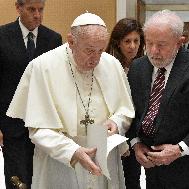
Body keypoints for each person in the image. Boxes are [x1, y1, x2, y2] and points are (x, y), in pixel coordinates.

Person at [6, 12, 135, 189]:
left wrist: (116, 122)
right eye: (90, 50)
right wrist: (72, 151)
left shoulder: (111, 64)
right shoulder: (43, 67)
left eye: (100, 50)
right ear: (71, 41)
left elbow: (125, 110)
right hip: (59, 162)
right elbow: (38, 128)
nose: (96, 59)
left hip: (103, 157)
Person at [127, 10, 189, 189]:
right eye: (149, 43)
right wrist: (136, 143)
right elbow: (132, 110)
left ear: (180, 42)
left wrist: (180, 149)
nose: (154, 51)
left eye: (162, 45)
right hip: (153, 166)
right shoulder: (138, 67)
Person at [0, 0, 62, 188]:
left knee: (42, 180)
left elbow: (57, 85)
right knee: (17, 181)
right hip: (12, 126)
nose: (37, 15)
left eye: (41, 10)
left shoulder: (53, 39)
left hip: (44, 126)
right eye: (31, 9)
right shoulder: (2, 36)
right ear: (18, 8)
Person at [106, 18, 144, 189]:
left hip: (135, 132)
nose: (132, 46)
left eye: (136, 41)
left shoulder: (146, 66)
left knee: (132, 178)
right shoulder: (108, 67)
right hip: (111, 129)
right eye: (127, 41)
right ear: (118, 43)